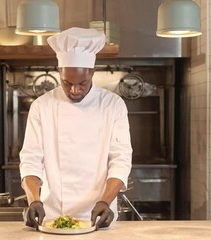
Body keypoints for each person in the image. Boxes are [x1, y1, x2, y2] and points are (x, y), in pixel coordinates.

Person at [19, 27, 132, 230]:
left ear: (92, 73)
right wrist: (33, 200)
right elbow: (30, 159)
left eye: (82, 83)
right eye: (67, 83)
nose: (74, 90)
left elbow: (121, 160)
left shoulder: (112, 105)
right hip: (51, 216)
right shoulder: (42, 106)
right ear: (59, 73)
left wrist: (106, 201)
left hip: (99, 215)